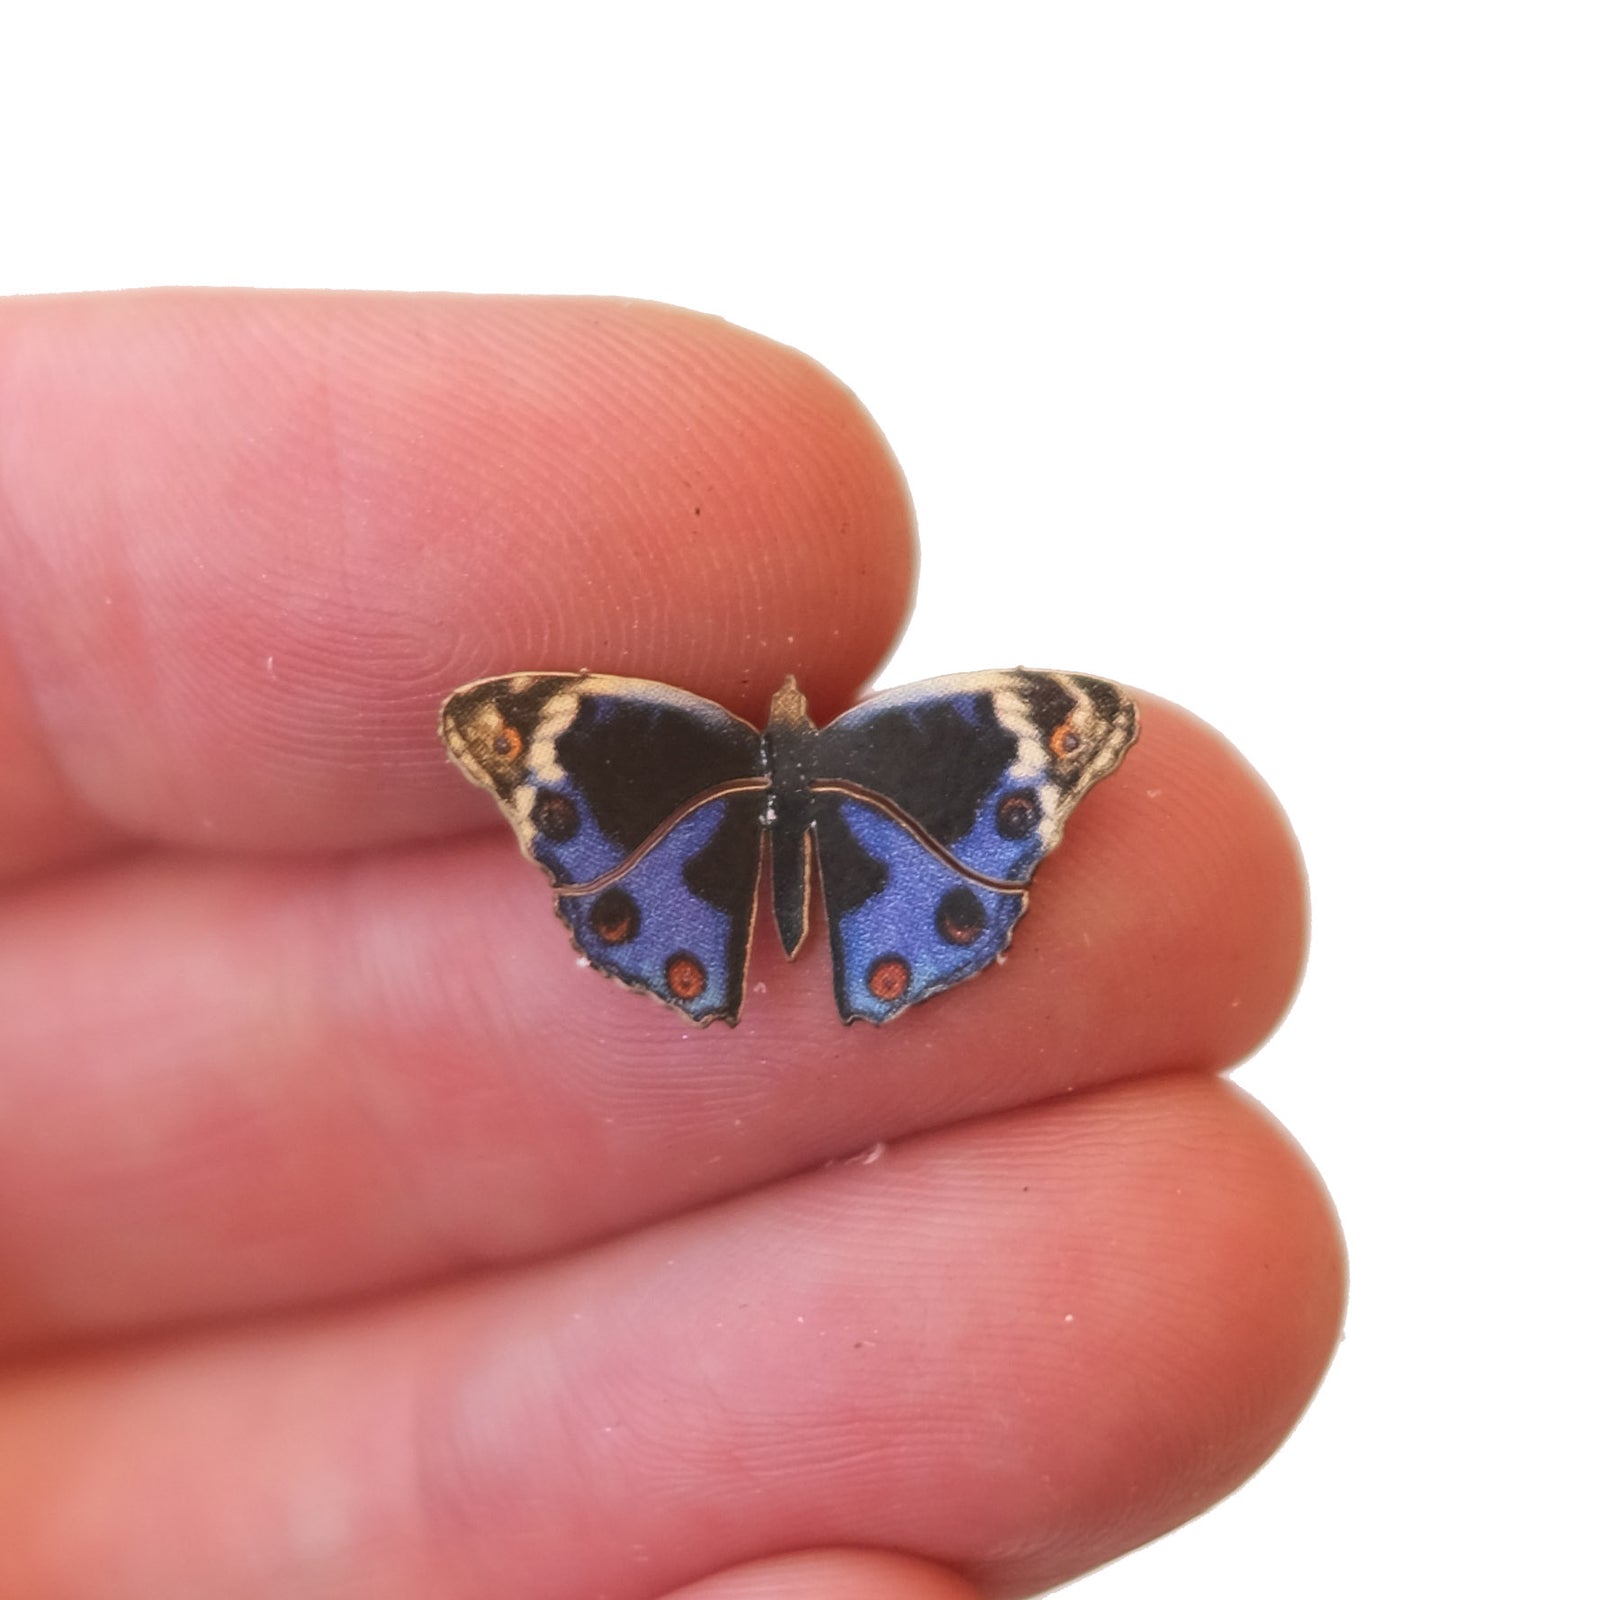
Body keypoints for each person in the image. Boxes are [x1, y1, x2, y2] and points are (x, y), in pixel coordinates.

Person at [0, 291, 1345, 1599]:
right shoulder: (864, 736)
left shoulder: (656, 734)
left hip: (701, 866)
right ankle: (877, 952)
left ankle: (773, 954)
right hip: (866, 865)